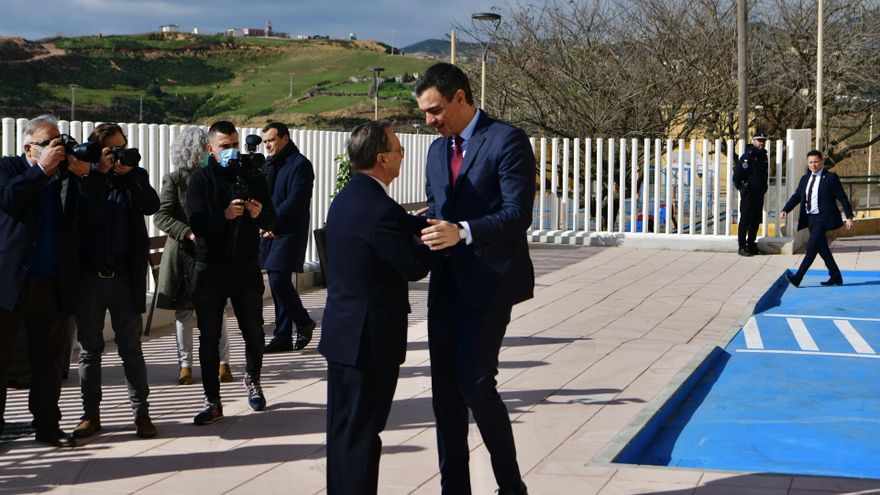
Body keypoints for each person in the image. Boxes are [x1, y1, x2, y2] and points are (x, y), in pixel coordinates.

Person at [415, 62, 534, 495]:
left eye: (435, 110)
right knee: (444, 399)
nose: (429, 122)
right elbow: (438, 206)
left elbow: (518, 214)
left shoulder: (507, 140)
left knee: (477, 386)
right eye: (424, 113)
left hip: (488, 285)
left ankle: (511, 487)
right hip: (444, 286)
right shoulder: (435, 151)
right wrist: (422, 223)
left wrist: (463, 232)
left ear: (461, 98)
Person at [318, 121, 430, 495]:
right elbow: (414, 266)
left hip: (344, 335)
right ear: (382, 159)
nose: (402, 155)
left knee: (344, 433)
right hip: (368, 341)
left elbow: (392, 225)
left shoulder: (350, 197)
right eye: (398, 150)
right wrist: (436, 239)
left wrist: (418, 222)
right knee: (363, 435)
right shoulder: (379, 207)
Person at [0, 114, 96, 447]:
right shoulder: (8, 168)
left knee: (49, 361)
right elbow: (9, 198)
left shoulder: (64, 176)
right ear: (29, 147)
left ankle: (47, 425)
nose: (57, 148)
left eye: (60, 141)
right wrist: (40, 170)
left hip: (52, 282)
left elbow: (86, 218)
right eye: (49, 143)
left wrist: (84, 177)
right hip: (11, 283)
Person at [73, 123, 160, 440]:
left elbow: (151, 205)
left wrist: (129, 174)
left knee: (131, 350)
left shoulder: (134, 176)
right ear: (99, 150)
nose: (120, 153)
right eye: (113, 149)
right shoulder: (83, 178)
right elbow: (88, 215)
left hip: (124, 277)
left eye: (123, 146)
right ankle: (90, 415)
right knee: (89, 351)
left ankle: (141, 414)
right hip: (90, 279)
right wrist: (97, 173)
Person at [186, 120, 276, 425]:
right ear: (210, 149)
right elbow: (196, 223)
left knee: (253, 329)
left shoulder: (253, 175)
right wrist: (223, 216)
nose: (231, 151)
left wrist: (259, 213)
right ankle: (212, 400)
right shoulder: (200, 180)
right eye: (225, 146)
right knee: (209, 336)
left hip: (246, 266)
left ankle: (252, 379)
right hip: (210, 267)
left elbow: (273, 218)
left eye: (235, 144)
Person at [154, 126, 234, 385]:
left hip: (211, 250)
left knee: (217, 309)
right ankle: (185, 365)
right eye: (203, 148)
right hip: (184, 254)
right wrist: (187, 231)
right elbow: (161, 215)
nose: (207, 153)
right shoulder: (175, 179)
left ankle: (224, 362)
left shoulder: (216, 177)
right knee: (184, 312)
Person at [259, 122, 317, 354]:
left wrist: (271, 222)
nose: (268, 145)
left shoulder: (300, 165)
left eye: (271, 140)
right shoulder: (267, 165)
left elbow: (295, 201)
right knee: (276, 279)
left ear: (285, 138)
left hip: (290, 231)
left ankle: (303, 322)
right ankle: (282, 335)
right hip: (271, 230)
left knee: (278, 280)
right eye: (265, 142)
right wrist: (264, 223)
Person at [781, 150, 854, 287]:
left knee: (811, 247)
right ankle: (836, 275)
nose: (813, 165)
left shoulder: (831, 178)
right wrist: (786, 209)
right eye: (810, 162)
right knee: (822, 248)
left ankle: (798, 277)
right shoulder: (805, 179)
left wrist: (849, 217)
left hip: (824, 218)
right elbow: (797, 196)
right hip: (811, 219)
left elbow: (842, 198)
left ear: (821, 161)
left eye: (815, 162)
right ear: (807, 163)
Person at [733, 130, 769, 256]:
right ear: (753, 141)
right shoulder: (747, 156)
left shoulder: (763, 155)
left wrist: (764, 186)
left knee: (755, 220)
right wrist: (743, 187)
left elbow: (764, 174)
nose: (762, 143)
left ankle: (751, 244)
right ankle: (742, 246)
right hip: (749, 193)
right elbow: (737, 176)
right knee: (746, 220)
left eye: (763, 141)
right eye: (759, 140)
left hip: (759, 193)